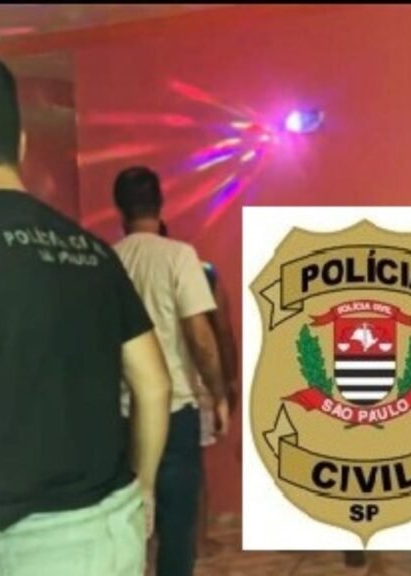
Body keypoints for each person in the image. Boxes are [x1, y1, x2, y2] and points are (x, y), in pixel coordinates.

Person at [0, 48, 172, 576]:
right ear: (20, 143)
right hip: (117, 522)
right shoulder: (92, 249)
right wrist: (145, 489)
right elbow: (153, 385)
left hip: (30, 540)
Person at [113, 167, 230, 576]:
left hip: (123, 413)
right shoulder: (179, 256)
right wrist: (219, 396)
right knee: (178, 529)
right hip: (175, 411)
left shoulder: (108, 260)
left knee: (126, 523)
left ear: (120, 210)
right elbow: (200, 336)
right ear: (160, 204)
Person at [158, 222, 239, 558]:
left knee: (149, 466)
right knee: (191, 465)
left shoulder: (124, 265)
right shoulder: (201, 272)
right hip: (193, 381)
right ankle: (199, 539)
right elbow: (220, 331)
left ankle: (160, 540)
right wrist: (229, 381)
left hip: (142, 384)